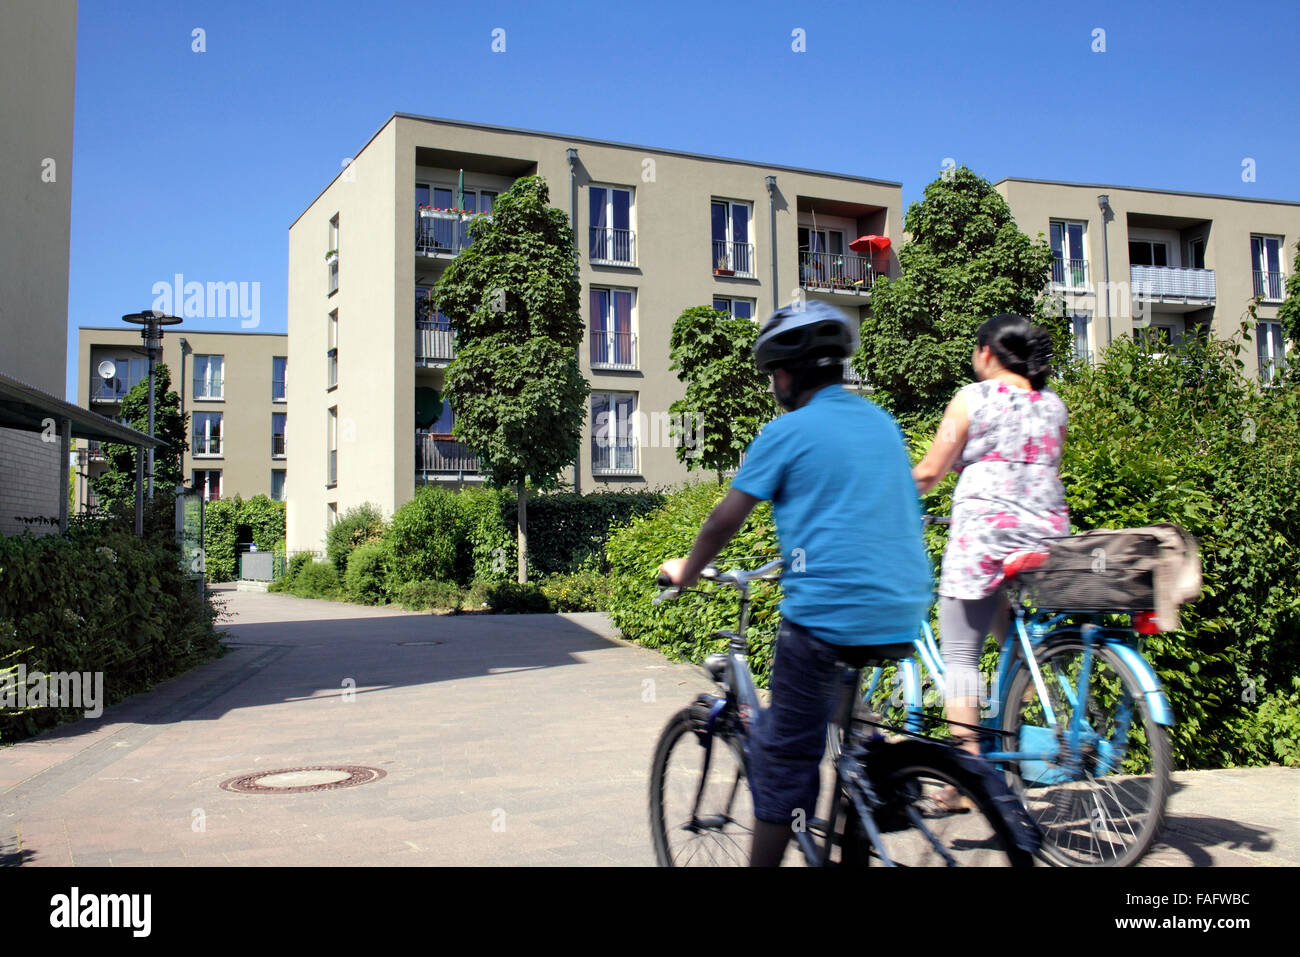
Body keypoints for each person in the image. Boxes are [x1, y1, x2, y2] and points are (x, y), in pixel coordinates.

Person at [657, 300, 932, 866]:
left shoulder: (787, 432)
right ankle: (871, 782)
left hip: (827, 618)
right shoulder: (880, 421)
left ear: (786, 373)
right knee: (841, 733)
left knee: (786, 761)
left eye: (773, 373)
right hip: (903, 607)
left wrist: (685, 570)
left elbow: (723, 521)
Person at [911, 313, 1069, 808]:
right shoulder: (1053, 404)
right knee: (1011, 638)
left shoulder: (973, 398)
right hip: (1044, 537)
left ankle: (968, 774)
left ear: (987, 353)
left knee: (960, 656)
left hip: (983, 536)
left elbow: (931, 472)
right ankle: (1019, 719)